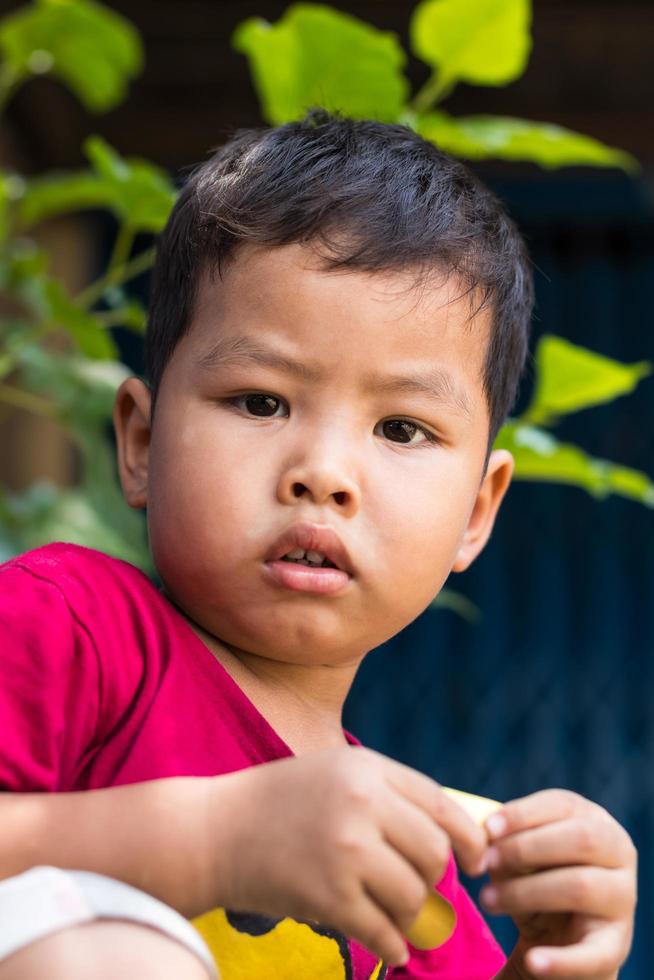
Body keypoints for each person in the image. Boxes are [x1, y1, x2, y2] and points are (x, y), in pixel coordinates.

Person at [0, 111, 636, 980]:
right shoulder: (68, 629)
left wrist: (554, 966)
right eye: (261, 402)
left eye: (403, 428)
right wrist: (215, 841)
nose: (324, 473)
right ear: (141, 443)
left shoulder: (409, 862)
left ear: (477, 513)